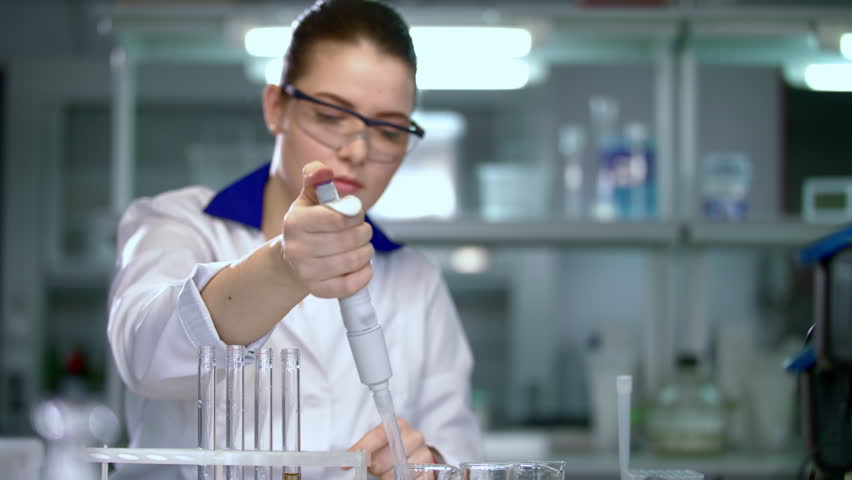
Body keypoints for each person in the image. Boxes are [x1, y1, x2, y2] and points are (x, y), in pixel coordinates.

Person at [107, 0, 481, 479]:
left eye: (389, 130)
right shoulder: (178, 223)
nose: (357, 150)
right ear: (276, 108)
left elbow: (458, 445)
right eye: (330, 115)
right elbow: (143, 357)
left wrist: (431, 465)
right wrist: (283, 268)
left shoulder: (417, 281)